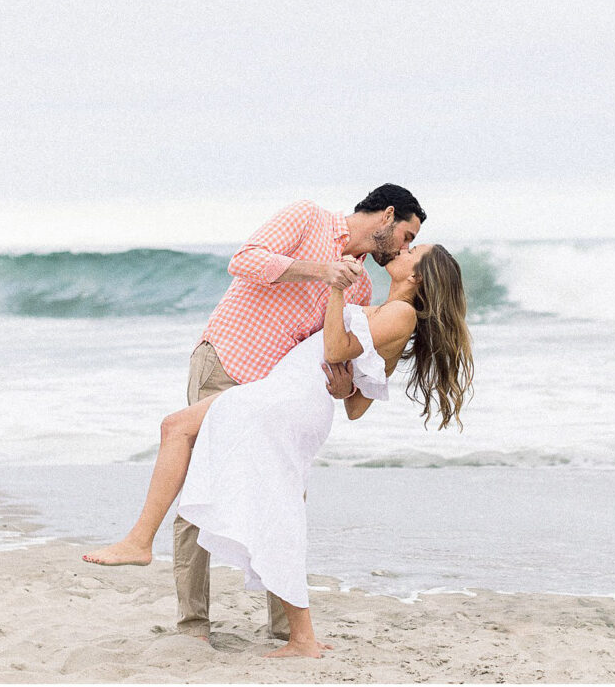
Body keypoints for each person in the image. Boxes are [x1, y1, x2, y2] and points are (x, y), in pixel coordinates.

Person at [82, 242, 473, 658]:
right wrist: (344, 387)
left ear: (416, 276)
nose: (405, 248)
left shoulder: (402, 313)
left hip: (288, 401)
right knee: (257, 492)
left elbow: (335, 351)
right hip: (284, 393)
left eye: (415, 250)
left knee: (186, 436)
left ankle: (141, 542)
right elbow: (357, 404)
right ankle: (298, 634)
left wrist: (336, 289)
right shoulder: (389, 312)